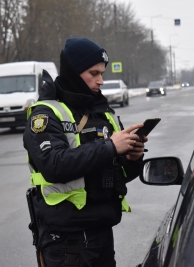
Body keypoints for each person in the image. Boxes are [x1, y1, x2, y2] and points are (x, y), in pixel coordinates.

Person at [23, 37, 147, 267]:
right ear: (73, 72)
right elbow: (53, 165)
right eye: (93, 73)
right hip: (66, 240)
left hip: (101, 232)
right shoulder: (45, 114)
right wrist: (110, 146)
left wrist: (132, 158)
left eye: (102, 73)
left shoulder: (103, 112)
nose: (100, 80)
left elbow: (116, 174)